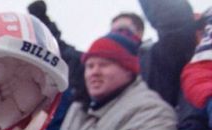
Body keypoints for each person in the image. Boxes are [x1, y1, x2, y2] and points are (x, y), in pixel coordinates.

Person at [28, 0, 197, 107]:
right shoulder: (97, 71)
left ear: (140, 33)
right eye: (112, 32)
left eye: (123, 31)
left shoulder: (159, 58)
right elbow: (67, 57)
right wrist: (43, 24)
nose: (115, 36)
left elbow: (176, 23)